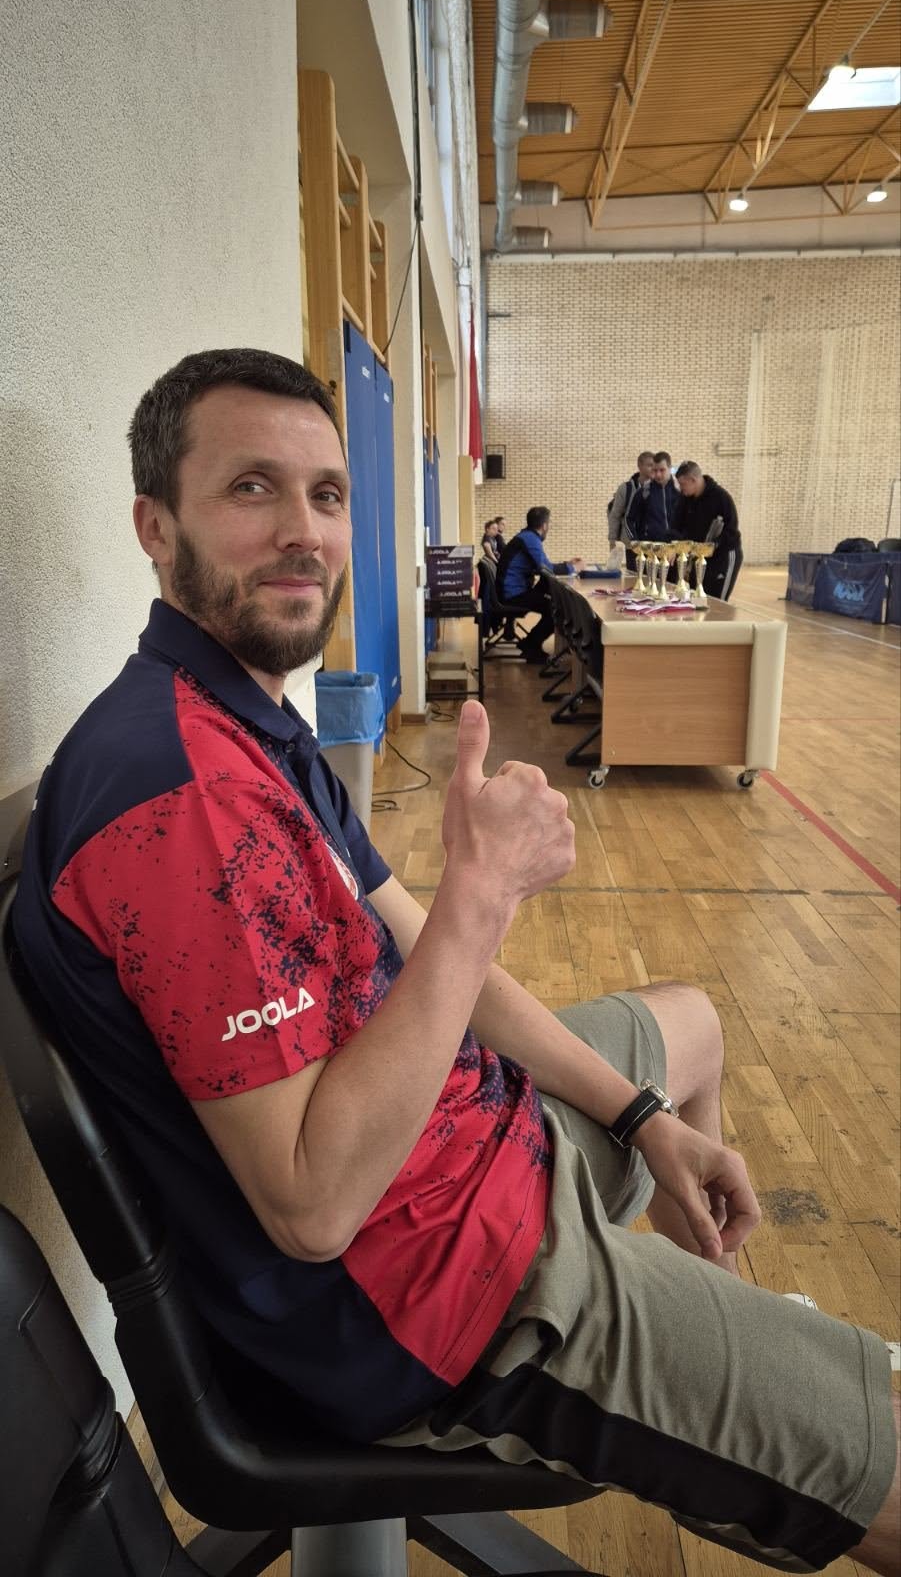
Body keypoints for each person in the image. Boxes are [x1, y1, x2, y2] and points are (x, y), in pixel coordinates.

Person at [12, 349, 897, 1576]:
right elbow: (314, 1205)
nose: (304, 530)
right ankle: (736, 1388)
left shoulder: (242, 719)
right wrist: (484, 893)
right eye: (252, 488)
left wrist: (642, 1118)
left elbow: (426, 951)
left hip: (469, 1148)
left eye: (326, 494)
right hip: (434, 1300)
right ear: (156, 528)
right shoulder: (181, 799)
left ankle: (717, 1329)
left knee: (687, 1023)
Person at [496, 505, 584, 663]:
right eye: (548, 524)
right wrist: (573, 568)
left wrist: (567, 564)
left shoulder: (527, 537)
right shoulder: (530, 539)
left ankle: (530, 644)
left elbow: (543, 567)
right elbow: (545, 568)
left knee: (550, 594)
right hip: (512, 595)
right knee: (557, 610)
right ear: (544, 525)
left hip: (512, 591)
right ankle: (531, 646)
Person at [672, 461, 743, 599]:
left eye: (683, 484)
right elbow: (676, 525)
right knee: (697, 598)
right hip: (699, 557)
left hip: (724, 556)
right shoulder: (685, 498)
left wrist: (714, 544)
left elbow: (731, 530)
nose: (681, 488)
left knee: (717, 601)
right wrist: (675, 545)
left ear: (693, 480)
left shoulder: (721, 498)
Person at [607, 451, 654, 567]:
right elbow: (615, 515)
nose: (653, 468)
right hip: (632, 545)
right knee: (634, 575)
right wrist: (612, 541)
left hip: (653, 545)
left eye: (654, 465)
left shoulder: (659, 489)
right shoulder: (625, 489)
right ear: (640, 466)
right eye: (649, 465)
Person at [632, 450, 679, 544]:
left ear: (670, 468)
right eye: (655, 470)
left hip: (677, 546)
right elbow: (630, 519)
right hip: (652, 547)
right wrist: (637, 541)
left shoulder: (680, 490)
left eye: (662, 470)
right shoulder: (644, 492)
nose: (658, 474)